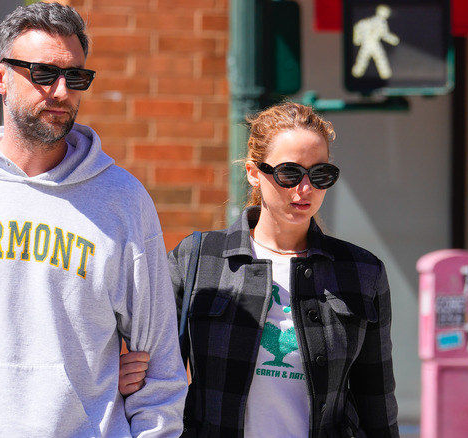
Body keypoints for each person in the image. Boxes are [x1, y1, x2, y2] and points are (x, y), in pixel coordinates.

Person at [0, 2, 187, 436]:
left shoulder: (122, 200)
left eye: (75, 77)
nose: (61, 91)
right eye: (43, 74)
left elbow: (160, 366)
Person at [120, 102, 399, 437]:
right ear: (254, 171)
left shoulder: (361, 273)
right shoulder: (198, 258)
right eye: (289, 173)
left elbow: (377, 405)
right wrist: (122, 375)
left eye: (319, 174)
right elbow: (156, 378)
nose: (305, 189)